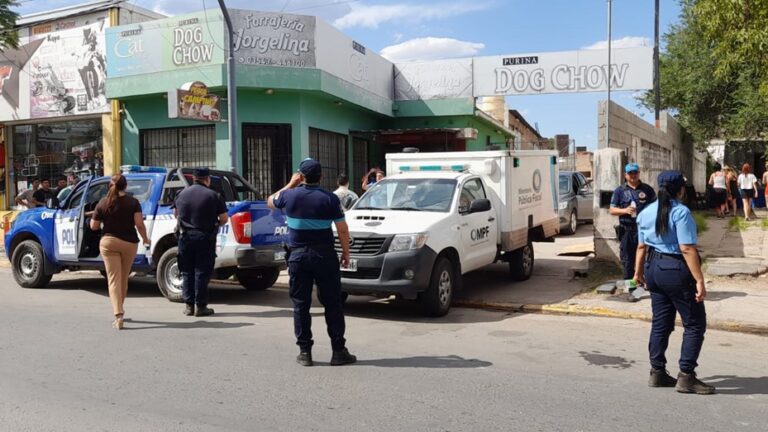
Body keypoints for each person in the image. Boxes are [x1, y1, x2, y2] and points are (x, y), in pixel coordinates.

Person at [268, 158, 356, 367]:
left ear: (301, 177)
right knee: (332, 303)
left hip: (298, 257)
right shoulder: (329, 199)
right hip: (325, 256)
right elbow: (342, 229)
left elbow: (270, 201)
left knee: (301, 305)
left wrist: (290, 184)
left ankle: (305, 352)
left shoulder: (289, 196)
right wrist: (346, 252)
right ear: (321, 176)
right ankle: (338, 351)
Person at [633, 170, 714, 395]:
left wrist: (637, 273)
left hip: (653, 268)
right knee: (694, 323)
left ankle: (657, 372)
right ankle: (686, 375)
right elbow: (686, 248)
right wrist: (699, 280)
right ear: (680, 189)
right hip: (675, 269)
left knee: (661, 322)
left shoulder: (646, 212)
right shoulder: (680, 212)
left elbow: (641, 246)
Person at [90, 174, 150, 330]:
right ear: (126, 186)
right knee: (123, 278)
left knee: (113, 280)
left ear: (110, 186)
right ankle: (120, 309)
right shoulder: (134, 202)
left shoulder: (102, 203)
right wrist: (145, 239)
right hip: (129, 243)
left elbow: (93, 226)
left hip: (109, 243)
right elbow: (139, 224)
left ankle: (118, 315)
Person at [173, 167, 228, 317]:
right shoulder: (214, 195)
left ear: (193, 178)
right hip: (204, 237)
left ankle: (189, 306)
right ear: (207, 179)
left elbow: (176, 214)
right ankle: (201, 306)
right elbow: (224, 219)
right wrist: (214, 223)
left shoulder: (181, 194)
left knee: (187, 271)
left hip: (185, 237)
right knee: (202, 272)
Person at [609, 163, 657, 280]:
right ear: (625, 175)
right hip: (627, 231)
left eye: (635, 172)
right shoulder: (619, 191)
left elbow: (656, 207)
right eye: (630, 173)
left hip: (644, 230)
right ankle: (630, 286)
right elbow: (612, 210)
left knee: (647, 258)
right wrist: (625, 210)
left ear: (639, 173)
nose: (633, 175)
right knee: (627, 260)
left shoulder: (647, 189)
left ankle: (645, 282)